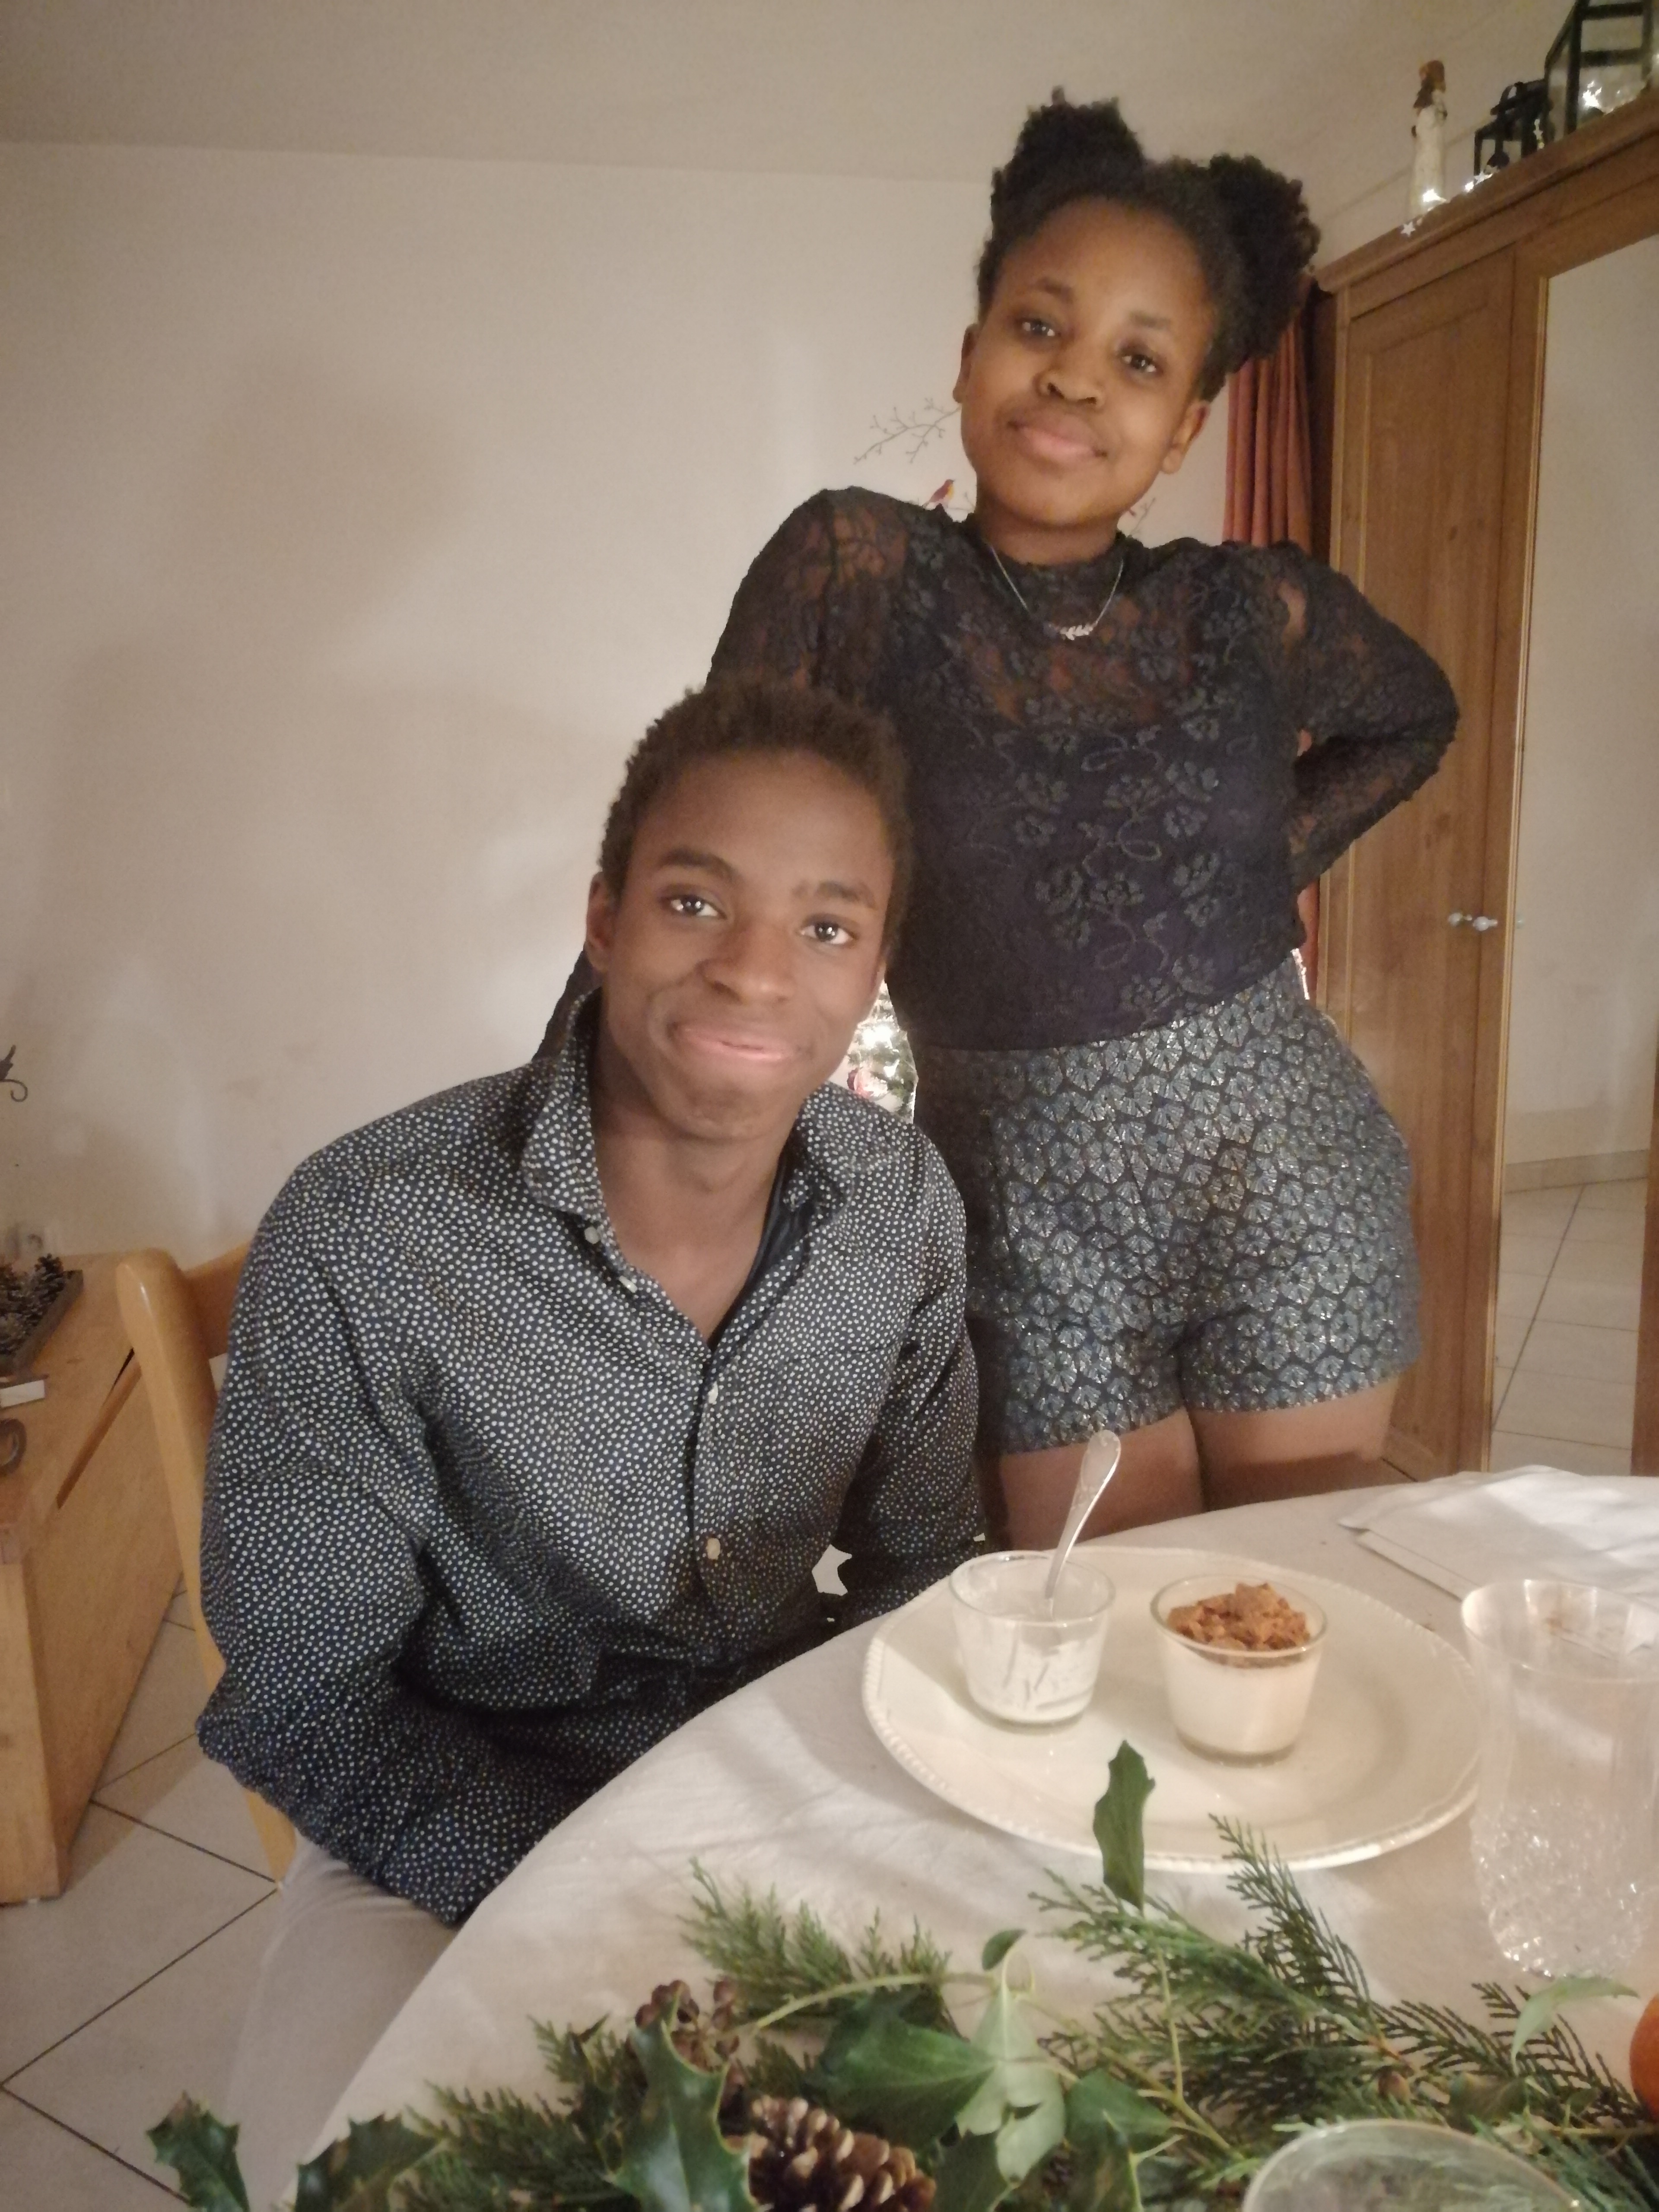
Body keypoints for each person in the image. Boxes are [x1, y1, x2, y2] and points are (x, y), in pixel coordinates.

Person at [550, 96, 1459, 1545]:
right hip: (1026, 1208)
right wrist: (569, 1133)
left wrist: (1257, 869)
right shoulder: (857, 568)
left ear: (1186, 427)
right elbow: (708, 823)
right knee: (1092, 1610)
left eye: (1139, 361)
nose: (1078, 379)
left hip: (1291, 1178)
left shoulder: (1249, 610)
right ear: (971, 354)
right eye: (1042, 327)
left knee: (1291, 1600)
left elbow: (1416, 714)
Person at [200, 676, 979, 2205]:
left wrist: (830, 1815)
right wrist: (612, 1885)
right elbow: (310, 1697)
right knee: (323, 2177)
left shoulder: (897, 1205)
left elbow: (924, 1562)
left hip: (784, 1787)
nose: (757, 970)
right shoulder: (369, 1236)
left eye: (827, 926)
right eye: (698, 902)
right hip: (452, 1822)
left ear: (876, 968)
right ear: (606, 918)